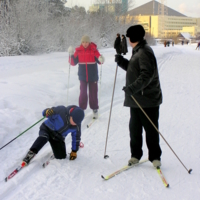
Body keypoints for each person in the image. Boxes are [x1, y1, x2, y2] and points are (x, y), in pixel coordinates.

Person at [114, 25, 163, 168]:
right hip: (137, 99)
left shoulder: (144, 52)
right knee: (134, 129)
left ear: (133, 38)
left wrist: (132, 88)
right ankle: (135, 155)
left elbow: (146, 75)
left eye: (129, 37)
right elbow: (135, 70)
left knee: (150, 130)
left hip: (148, 100)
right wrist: (123, 63)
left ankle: (155, 157)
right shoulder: (138, 51)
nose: (128, 40)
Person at [68, 35, 105, 119]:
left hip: (93, 76)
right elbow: (73, 63)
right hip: (83, 76)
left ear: (89, 42)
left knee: (93, 94)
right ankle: (81, 110)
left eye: (86, 42)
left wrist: (101, 59)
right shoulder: (78, 51)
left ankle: (95, 109)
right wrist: (70, 54)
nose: (85, 44)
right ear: (81, 42)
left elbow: (100, 61)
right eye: (83, 42)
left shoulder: (93, 50)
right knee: (83, 93)